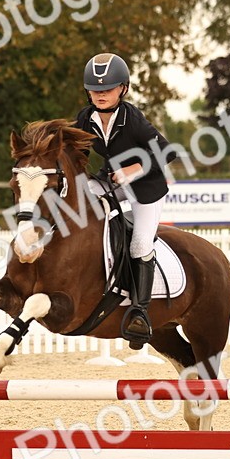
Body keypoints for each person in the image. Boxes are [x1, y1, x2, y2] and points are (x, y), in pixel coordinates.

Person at [74, 52, 171, 346]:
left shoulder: (134, 120)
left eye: (107, 88)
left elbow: (167, 152)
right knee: (80, 203)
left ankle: (140, 312)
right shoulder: (85, 118)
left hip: (146, 188)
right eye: (94, 89)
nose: (100, 94)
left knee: (141, 243)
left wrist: (134, 168)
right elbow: (73, 149)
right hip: (112, 181)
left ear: (123, 89)